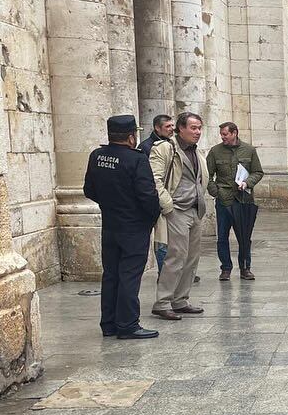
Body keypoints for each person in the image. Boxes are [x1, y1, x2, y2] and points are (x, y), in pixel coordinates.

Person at [82, 115, 161, 339]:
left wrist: (110, 205)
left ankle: (109, 324)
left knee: (111, 274)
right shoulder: (136, 159)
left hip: (110, 224)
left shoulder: (97, 156)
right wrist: (151, 217)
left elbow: (89, 190)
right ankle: (127, 324)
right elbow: (147, 195)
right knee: (129, 275)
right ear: (130, 137)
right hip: (134, 226)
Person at [149, 112, 207, 321]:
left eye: (199, 128)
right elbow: (154, 179)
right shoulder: (165, 149)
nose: (197, 132)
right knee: (175, 257)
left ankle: (180, 300)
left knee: (191, 258)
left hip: (194, 210)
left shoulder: (196, 152)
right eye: (193, 128)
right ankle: (163, 302)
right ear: (180, 129)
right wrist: (168, 207)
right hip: (176, 210)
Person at [207, 122, 264, 281]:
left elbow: (258, 172)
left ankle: (245, 268)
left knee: (244, 236)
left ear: (234, 133)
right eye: (221, 134)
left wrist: (248, 183)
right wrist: (215, 191)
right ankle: (225, 268)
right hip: (223, 200)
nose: (222, 137)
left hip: (243, 199)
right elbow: (207, 175)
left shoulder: (249, 150)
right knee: (222, 237)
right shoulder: (215, 151)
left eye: (225, 134)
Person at [138, 114, 174, 272]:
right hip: (156, 199)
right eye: (168, 127)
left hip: (170, 197)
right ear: (157, 128)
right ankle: (164, 272)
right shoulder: (146, 147)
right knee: (162, 241)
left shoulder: (171, 143)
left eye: (172, 126)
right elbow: (148, 177)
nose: (172, 129)